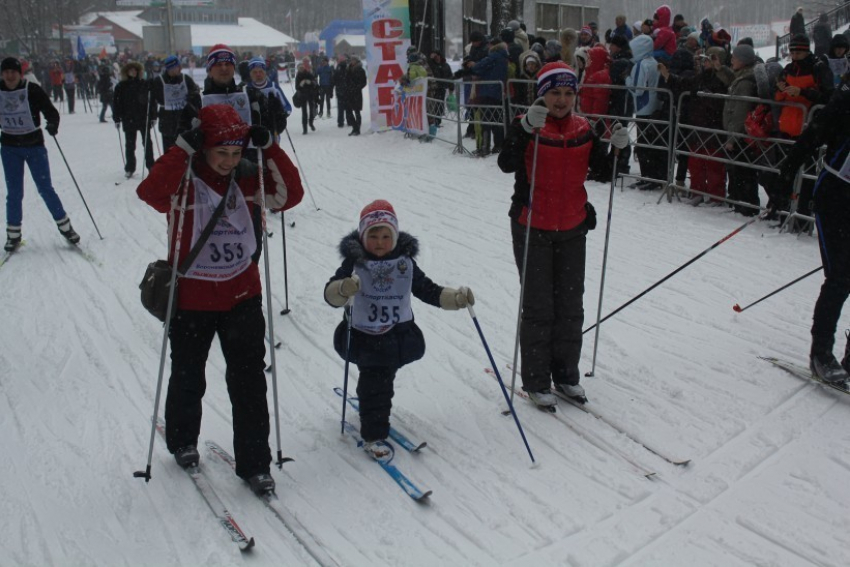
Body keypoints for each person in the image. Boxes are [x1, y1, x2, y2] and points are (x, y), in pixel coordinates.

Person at [136, 104, 304, 494]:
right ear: (204, 148)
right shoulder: (183, 180)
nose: (229, 161)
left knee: (248, 382)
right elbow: (150, 192)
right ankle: (181, 440)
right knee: (188, 375)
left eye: (235, 153)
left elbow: (288, 195)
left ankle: (254, 464)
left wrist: (271, 148)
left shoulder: (249, 178)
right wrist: (182, 149)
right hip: (192, 297)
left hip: (241, 293)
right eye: (220, 153)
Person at [496, 62, 629, 409]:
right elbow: (506, 162)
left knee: (571, 306)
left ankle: (566, 375)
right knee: (540, 307)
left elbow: (603, 170)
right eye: (555, 92)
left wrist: (618, 148)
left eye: (569, 93)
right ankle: (537, 380)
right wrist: (525, 128)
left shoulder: (584, 128)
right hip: (532, 225)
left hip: (572, 226)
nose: (562, 99)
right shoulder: (525, 124)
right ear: (542, 93)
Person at [323, 200, 474, 459]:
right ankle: (373, 433)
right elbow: (330, 293)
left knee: (384, 379)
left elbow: (428, 289)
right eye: (373, 236)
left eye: (386, 236)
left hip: (396, 335)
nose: (380, 242)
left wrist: (456, 298)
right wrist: (342, 288)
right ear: (362, 237)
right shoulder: (354, 263)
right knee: (375, 381)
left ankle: (375, 410)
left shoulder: (404, 264)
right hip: (364, 334)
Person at [775, 77, 850, 384]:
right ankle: (821, 354)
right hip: (836, 196)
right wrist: (787, 173)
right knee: (841, 278)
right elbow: (813, 136)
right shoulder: (846, 102)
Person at [0, 57, 79, 251]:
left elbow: (51, 112)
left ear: (20, 73)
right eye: (6, 72)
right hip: (10, 147)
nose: (10, 76)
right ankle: (13, 234)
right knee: (15, 192)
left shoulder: (32, 89)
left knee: (45, 188)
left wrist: (52, 124)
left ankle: (65, 227)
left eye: (13, 72)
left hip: (34, 145)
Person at [113, 61, 156, 178]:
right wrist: (116, 118)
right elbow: (116, 103)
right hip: (128, 118)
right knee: (130, 145)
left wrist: (153, 115)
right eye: (131, 70)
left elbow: (151, 101)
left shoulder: (144, 84)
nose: (133, 72)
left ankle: (151, 165)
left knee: (147, 143)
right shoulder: (121, 86)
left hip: (143, 118)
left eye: (135, 70)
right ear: (127, 72)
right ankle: (130, 167)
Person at [151, 55, 200, 152]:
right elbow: (153, 99)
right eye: (171, 68)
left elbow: (195, 94)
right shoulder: (159, 81)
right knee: (169, 150)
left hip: (184, 119)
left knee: (186, 149)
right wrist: (153, 115)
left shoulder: (185, 78)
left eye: (176, 67)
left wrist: (192, 95)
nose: (174, 70)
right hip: (167, 121)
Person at [344, 56, 367, 136]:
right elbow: (345, 80)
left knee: (357, 111)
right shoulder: (348, 69)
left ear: (357, 61)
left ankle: (357, 129)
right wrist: (346, 87)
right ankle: (354, 127)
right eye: (351, 60)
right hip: (349, 93)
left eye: (353, 60)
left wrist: (356, 88)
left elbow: (363, 82)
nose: (352, 62)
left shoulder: (361, 70)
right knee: (348, 111)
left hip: (356, 93)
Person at [294, 58, 318, 134]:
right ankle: (305, 129)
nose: (301, 69)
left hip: (310, 94)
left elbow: (315, 83)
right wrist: (300, 84)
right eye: (299, 68)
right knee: (304, 113)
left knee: (312, 111)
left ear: (304, 68)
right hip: (302, 96)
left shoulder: (308, 73)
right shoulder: (298, 76)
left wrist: (309, 82)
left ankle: (311, 123)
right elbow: (296, 87)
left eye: (302, 67)